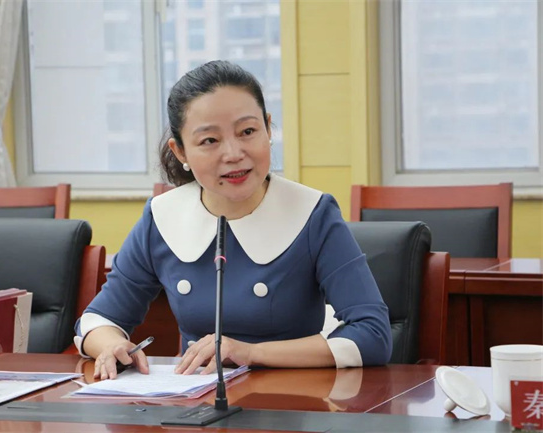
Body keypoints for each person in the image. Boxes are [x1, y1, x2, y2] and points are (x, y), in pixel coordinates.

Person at [74, 60, 392, 380]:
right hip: (195, 397)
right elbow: (98, 319)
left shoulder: (313, 213)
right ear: (180, 151)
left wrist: (250, 353)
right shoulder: (162, 216)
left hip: (295, 397)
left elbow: (372, 333)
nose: (234, 153)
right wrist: (111, 344)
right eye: (209, 140)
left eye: (248, 132)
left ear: (268, 129)